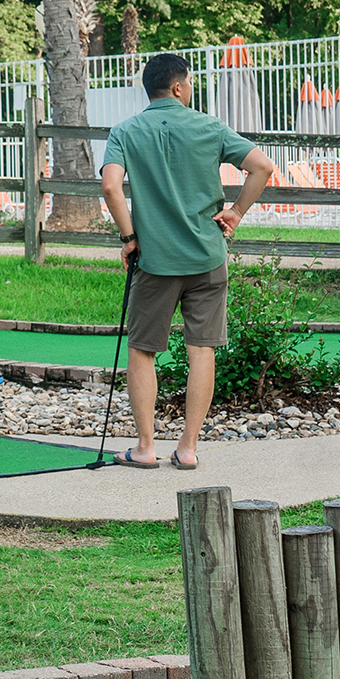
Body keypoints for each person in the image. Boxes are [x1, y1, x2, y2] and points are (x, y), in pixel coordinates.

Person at [96, 52, 277, 470]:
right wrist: (235, 213)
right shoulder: (208, 127)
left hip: (154, 260)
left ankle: (144, 447)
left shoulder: (125, 131)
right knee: (202, 350)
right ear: (177, 87)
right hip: (207, 258)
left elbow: (110, 188)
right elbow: (263, 167)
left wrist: (129, 237)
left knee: (142, 351)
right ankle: (188, 447)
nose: (191, 89)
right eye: (190, 83)